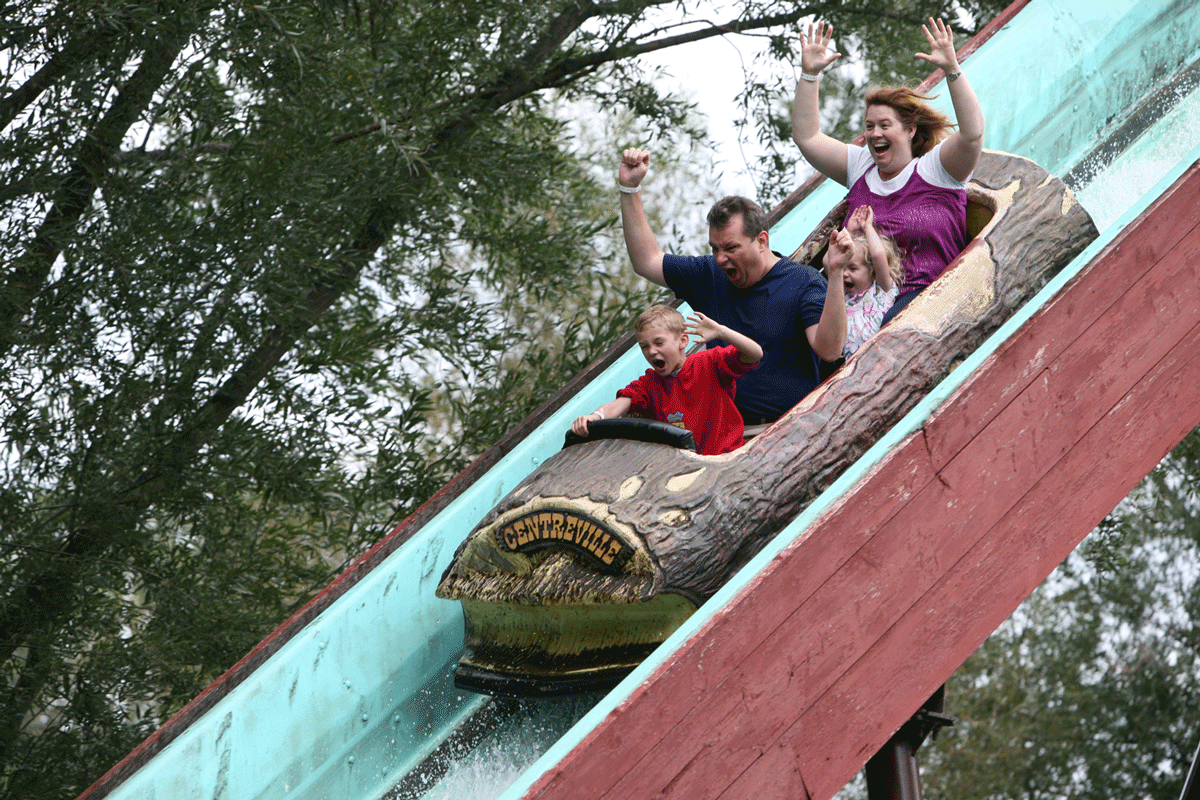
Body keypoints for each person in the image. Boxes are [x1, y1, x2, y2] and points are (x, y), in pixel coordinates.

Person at [618, 148, 846, 427]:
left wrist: (835, 274)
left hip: (789, 427)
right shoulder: (710, 275)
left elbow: (829, 350)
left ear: (761, 241)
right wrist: (629, 188)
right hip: (723, 431)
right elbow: (647, 261)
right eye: (715, 248)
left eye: (730, 248)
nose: (720, 258)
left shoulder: (804, 282)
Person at [791, 17, 984, 324]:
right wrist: (810, 75)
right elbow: (807, 138)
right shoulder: (861, 167)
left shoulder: (936, 170)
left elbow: (972, 134)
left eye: (884, 125)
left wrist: (952, 69)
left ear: (910, 130)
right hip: (860, 309)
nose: (874, 134)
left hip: (927, 306)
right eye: (869, 126)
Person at [571, 305, 762, 456]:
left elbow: (755, 354)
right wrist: (595, 417)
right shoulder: (650, 383)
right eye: (644, 346)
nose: (651, 351)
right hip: (683, 467)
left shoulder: (709, 363)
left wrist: (722, 332)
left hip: (726, 458)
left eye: (659, 343)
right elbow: (620, 404)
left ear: (682, 341)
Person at [832, 205, 903, 358]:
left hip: (881, 357)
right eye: (844, 268)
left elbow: (877, 255)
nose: (844, 273)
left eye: (852, 268)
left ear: (872, 272)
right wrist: (849, 232)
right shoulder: (844, 299)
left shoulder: (881, 291)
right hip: (851, 364)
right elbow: (829, 264)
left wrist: (867, 227)